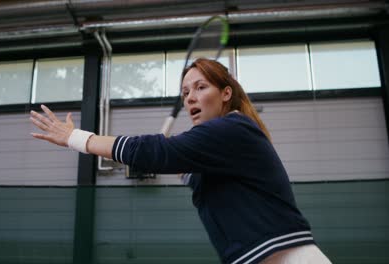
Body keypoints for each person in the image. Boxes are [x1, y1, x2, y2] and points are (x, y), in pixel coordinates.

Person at [30, 58, 332, 264]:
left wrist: (75, 138)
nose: (189, 98)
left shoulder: (233, 128)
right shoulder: (218, 149)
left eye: (201, 88)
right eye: (185, 92)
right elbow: (188, 169)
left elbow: (155, 152)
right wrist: (179, 168)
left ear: (226, 94)